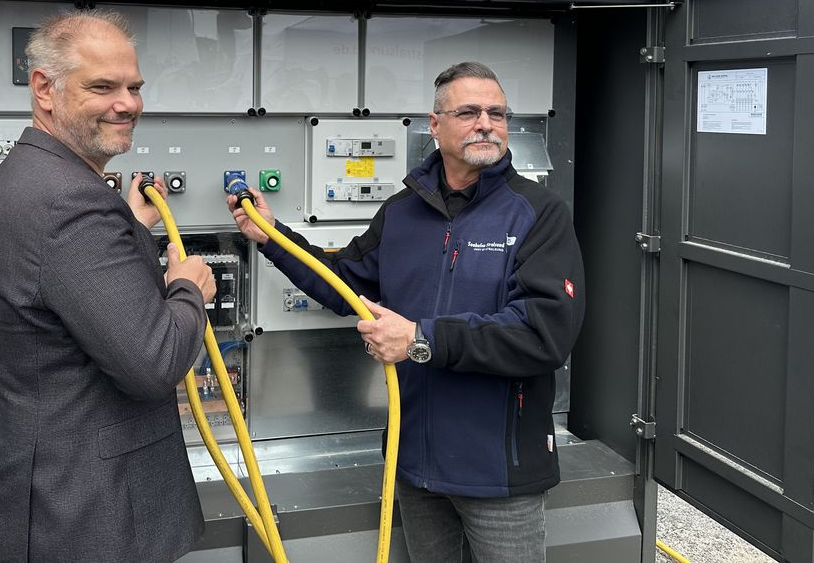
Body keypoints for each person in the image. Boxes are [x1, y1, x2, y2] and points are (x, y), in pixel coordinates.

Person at [228, 61, 584, 563]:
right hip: (414, 464)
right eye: (468, 112)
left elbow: (544, 331)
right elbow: (345, 284)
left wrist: (423, 338)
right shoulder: (402, 211)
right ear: (435, 125)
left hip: (500, 470)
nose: (486, 122)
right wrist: (274, 237)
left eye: (497, 113)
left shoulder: (538, 212)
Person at [0, 11, 216, 563]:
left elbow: (60, 277)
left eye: (134, 87)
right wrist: (187, 288)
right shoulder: (69, 204)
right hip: (83, 516)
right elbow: (153, 363)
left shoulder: (31, 178)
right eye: (102, 87)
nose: (127, 104)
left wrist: (127, 224)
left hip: (47, 502)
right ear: (43, 89)